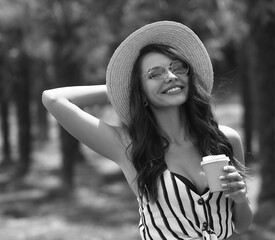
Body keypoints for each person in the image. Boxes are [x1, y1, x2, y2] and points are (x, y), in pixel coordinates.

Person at [42, 21, 253, 240]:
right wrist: (122, 90)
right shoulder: (129, 146)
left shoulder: (224, 140)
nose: (171, 76)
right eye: (155, 74)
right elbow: (53, 98)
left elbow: (241, 225)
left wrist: (240, 198)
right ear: (140, 91)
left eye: (177, 68)